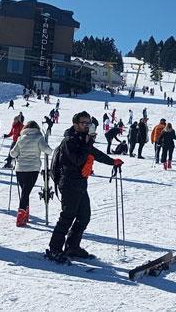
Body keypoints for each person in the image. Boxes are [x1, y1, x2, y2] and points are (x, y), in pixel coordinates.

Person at [47, 111, 123, 262]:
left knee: (84, 216)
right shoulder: (69, 140)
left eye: (89, 123)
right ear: (75, 124)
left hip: (80, 183)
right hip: (69, 183)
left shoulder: (83, 139)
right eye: (84, 123)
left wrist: (112, 161)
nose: (87, 126)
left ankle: (72, 247)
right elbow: (77, 159)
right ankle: (55, 249)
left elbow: (94, 153)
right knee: (67, 216)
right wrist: (88, 144)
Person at [10, 121, 53, 227]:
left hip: (20, 169)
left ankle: (25, 214)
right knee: (26, 191)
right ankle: (21, 215)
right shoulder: (39, 137)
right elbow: (47, 150)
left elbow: (13, 153)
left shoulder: (21, 138)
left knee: (25, 191)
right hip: (33, 168)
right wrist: (50, 149)